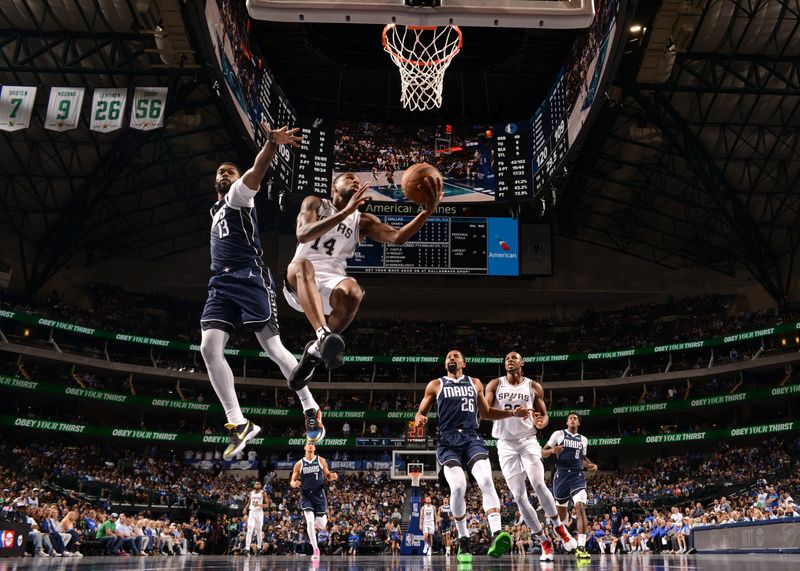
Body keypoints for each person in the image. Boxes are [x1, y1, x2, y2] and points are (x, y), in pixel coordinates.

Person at [198, 122, 325, 453]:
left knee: (273, 349)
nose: (226, 175)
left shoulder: (240, 195)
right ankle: (238, 423)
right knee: (208, 348)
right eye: (222, 172)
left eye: (231, 171)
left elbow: (256, 171)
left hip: (248, 276)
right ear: (215, 181)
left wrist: (271, 144)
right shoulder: (215, 210)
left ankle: (310, 407)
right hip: (220, 283)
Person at [284, 171, 443, 388]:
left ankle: (313, 351)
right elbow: (303, 234)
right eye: (349, 177)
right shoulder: (315, 203)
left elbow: (397, 238)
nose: (355, 180)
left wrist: (426, 212)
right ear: (334, 187)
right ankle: (322, 335)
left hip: (332, 282)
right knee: (303, 264)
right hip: (300, 280)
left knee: (354, 291)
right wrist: (345, 212)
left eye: (357, 180)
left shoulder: (363, 221)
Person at [414, 349, 526, 564]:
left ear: (463, 363)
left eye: (456, 356)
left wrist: (511, 413)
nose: (451, 358)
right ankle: (463, 539)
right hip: (447, 442)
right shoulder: (435, 385)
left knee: (486, 479)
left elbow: (485, 414)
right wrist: (419, 418)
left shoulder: (475, 383)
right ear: (445, 363)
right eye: (448, 356)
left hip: (471, 438)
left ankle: (496, 533)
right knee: (458, 487)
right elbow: (421, 412)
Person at [484, 352, 578, 561]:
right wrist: (512, 414)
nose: (509, 360)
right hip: (505, 444)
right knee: (518, 497)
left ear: (521, 363)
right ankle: (543, 540)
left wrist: (541, 423)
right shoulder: (495, 384)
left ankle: (559, 528)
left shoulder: (533, 387)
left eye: (514, 358)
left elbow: (544, 416)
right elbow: (485, 413)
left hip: (528, 440)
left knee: (538, 483)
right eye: (506, 358)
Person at [542, 412, 598, 559]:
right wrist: (552, 450)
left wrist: (590, 465)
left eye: (576, 418)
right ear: (567, 422)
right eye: (571, 418)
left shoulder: (583, 440)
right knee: (560, 519)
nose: (573, 420)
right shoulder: (558, 434)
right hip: (561, 476)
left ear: (578, 423)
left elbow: (583, 459)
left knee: (580, 507)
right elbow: (542, 452)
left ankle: (581, 547)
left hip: (577, 475)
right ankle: (564, 538)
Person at [290, 442, 338, 560]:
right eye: (308, 444)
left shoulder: (321, 460)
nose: (310, 445)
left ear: (314, 448)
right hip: (306, 496)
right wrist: (294, 484)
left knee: (322, 525)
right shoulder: (299, 464)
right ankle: (316, 549)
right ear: (305, 447)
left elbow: (327, 475)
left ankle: (318, 523)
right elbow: (292, 481)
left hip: (319, 495)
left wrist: (332, 476)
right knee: (310, 521)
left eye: (312, 444)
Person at [242, 481, 266, 556]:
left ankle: (259, 548)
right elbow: (249, 502)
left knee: (259, 531)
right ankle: (247, 549)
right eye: (256, 483)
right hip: (252, 512)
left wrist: (259, 504)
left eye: (258, 483)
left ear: (260, 485)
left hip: (259, 513)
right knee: (250, 529)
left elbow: (267, 505)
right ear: (254, 485)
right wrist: (245, 508)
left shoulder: (263, 493)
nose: (257, 484)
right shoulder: (251, 493)